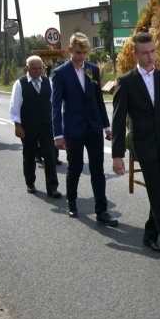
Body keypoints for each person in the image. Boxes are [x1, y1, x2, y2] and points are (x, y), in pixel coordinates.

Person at [112, 32, 160, 269]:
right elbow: (117, 120)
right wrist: (117, 155)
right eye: (145, 53)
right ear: (135, 54)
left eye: (153, 51)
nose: (150, 57)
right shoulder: (126, 81)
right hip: (144, 146)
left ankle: (149, 234)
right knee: (158, 197)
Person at [52, 32, 117, 226]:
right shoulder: (61, 73)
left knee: (98, 170)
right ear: (70, 50)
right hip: (73, 129)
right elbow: (55, 107)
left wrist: (106, 126)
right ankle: (71, 202)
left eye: (85, 53)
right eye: (78, 53)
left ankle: (102, 211)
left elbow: (98, 99)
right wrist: (58, 135)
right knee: (76, 168)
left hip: (94, 127)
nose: (81, 57)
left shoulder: (92, 70)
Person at [9, 56, 61, 198]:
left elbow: (54, 104)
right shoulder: (20, 84)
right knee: (29, 154)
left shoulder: (48, 82)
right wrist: (17, 126)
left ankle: (52, 187)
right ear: (27, 68)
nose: (38, 71)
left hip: (46, 125)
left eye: (40, 68)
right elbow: (15, 106)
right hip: (28, 125)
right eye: (34, 68)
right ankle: (30, 182)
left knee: (50, 155)